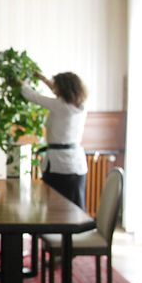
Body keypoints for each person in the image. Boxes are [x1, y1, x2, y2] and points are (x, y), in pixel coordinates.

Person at [21, 71, 88, 209]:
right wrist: (43, 79)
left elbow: (31, 95)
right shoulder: (80, 105)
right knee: (75, 206)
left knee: (55, 206)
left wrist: (23, 83)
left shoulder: (60, 105)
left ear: (62, 88)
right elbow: (59, 93)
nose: (55, 89)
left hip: (60, 164)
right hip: (77, 164)